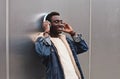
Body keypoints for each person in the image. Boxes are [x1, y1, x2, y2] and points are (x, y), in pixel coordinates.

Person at [35, 11, 88, 79]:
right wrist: (46, 32)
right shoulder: (42, 40)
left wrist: (72, 33)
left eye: (61, 22)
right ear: (48, 24)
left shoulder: (66, 40)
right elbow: (45, 53)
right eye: (56, 22)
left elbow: (83, 47)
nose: (60, 24)